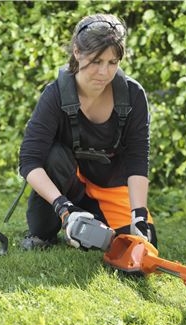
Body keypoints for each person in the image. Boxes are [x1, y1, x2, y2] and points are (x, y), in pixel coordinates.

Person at [18, 13, 158, 250]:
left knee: (138, 246)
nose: (104, 72)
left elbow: (137, 160)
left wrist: (139, 215)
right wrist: (65, 208)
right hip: (65, 187)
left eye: (112, 63)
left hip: (110, 187)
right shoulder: (55, 95)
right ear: (77, 53)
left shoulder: (133, 95)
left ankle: (92, 226)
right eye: (96, 61)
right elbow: (29, 161)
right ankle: (58, 225)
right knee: (52, 156)